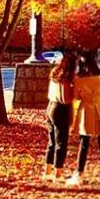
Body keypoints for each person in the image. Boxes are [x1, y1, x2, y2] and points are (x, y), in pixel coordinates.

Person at [67, 50, 100, 186]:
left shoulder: (79, 79)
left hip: (86, 111)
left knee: (84, 144)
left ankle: (79, 174)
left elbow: (75, 97)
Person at [42, 50, 77, 182]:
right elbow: (65, 99)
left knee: (52, 141)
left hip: (51, 106)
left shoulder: (55, 74)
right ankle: (58, 174)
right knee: (61, 143)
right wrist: (74, 93)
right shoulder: (66, 79)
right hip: (61, 110)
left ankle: (48, 171)